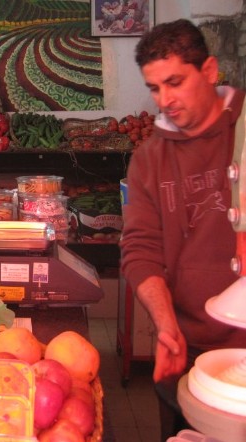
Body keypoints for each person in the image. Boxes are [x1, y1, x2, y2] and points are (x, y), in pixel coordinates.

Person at [121, 19, 246, 440]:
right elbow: (141, 248)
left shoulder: (244, 133)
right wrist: (165, 324)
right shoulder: (149, 159)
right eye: (155, 88)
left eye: (175, 82)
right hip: (184, 349)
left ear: (209, 71)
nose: (165, 100)